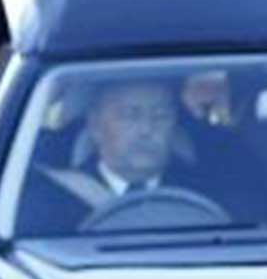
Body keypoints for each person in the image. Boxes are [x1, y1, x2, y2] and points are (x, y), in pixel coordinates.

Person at [15, 77, 241, 235]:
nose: (146, 129)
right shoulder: (49, 201)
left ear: (174, 126)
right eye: (130, 115)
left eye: (160, 115)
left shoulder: (209, 194)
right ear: (95, 126)